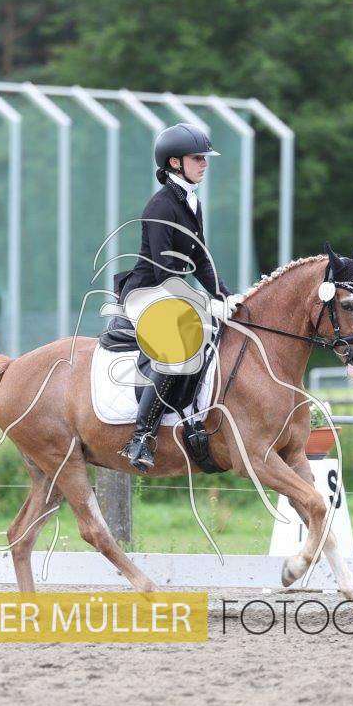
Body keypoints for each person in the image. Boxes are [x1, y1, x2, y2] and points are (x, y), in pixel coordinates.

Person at [112, 123, 243, 472]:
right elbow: (163, 271)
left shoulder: (191, 202)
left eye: (204, 158)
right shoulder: (160, 207)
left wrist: (225, 296)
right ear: (174, 162)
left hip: (171, 291)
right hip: (147, 293)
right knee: (178, 351)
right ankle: (141, 437)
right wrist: (203, 303)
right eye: (197, 158)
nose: (205, 164)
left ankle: (195, 416)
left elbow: (200, 258)